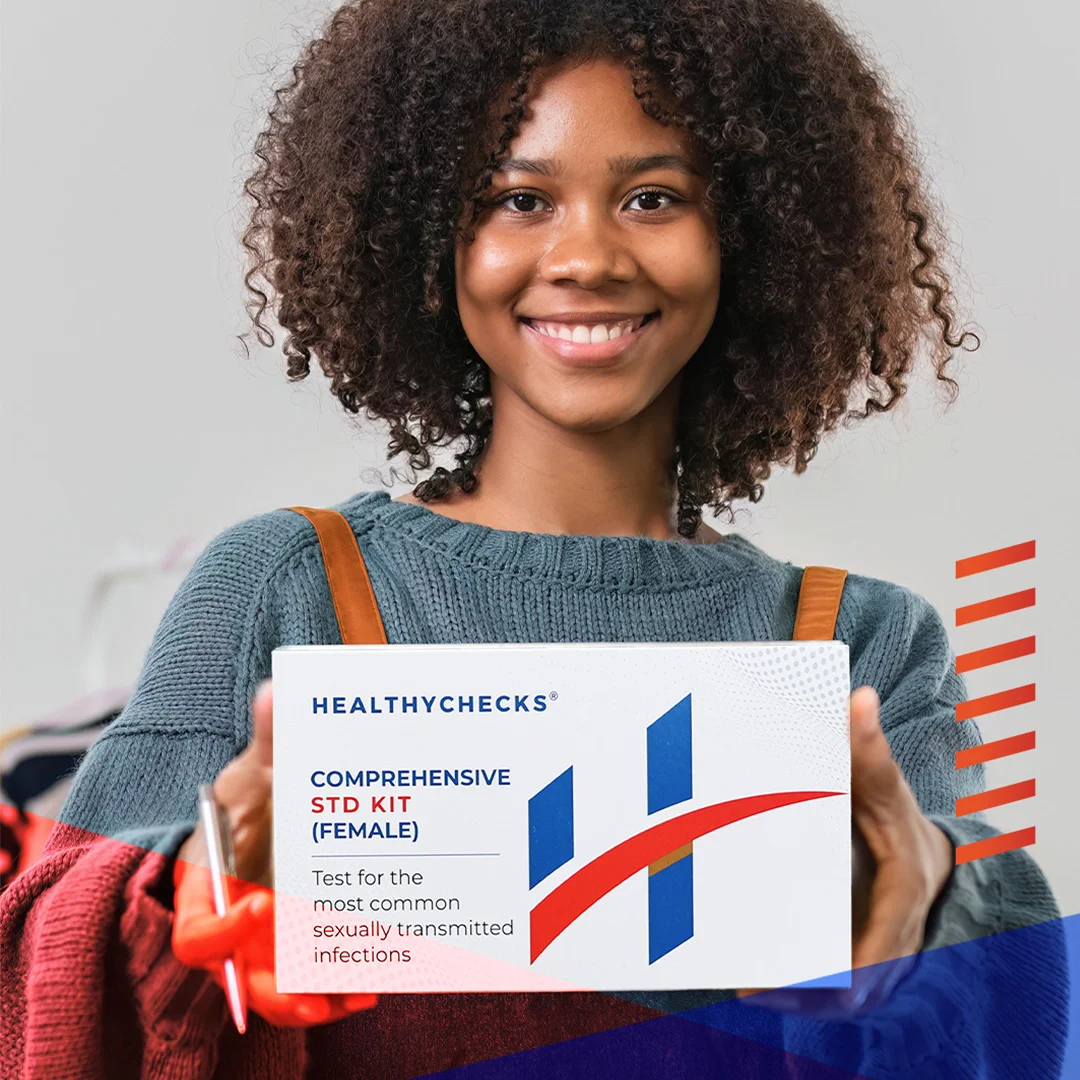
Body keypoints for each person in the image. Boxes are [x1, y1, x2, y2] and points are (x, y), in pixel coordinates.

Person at [0, 0, 1066, 1077]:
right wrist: (188, 883)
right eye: (519, 199)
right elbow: (46, 947)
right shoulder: (280, 586)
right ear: (424, 237)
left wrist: (926, 896)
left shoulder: (864, 648)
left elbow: (997, 1010)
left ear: (753, 234)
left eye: (654, 197)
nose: (587, 255)